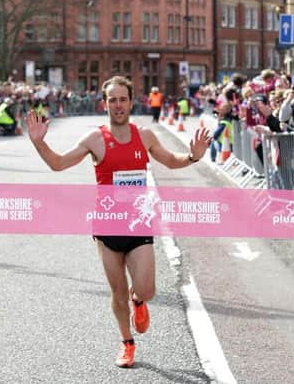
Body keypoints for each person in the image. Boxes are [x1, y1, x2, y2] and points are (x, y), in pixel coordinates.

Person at [25, 76, 211, 368]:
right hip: (108, 224)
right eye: (112, 99)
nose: (118, 105)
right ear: (105, 103)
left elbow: (171, 160)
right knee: (117, 292)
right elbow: (58, 163)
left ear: (131, 101)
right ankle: (127, 343)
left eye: (122, 99)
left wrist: (192, 156)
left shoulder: (144, 135)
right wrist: (39, 143)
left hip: (138, 223)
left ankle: (140, 301)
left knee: (146, 289)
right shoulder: (94, 139)